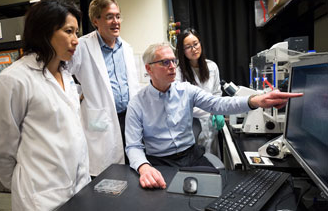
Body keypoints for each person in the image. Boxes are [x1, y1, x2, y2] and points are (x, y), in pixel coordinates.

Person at [125, 42, 303, 189]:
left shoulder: (186, 90)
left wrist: (255, 100)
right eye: (165, 62)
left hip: (191, 156)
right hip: (160, 162)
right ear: (149, 68)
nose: (172, 67)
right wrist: (144, 167)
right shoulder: (137, 103)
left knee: (220, 189)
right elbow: (133, 146)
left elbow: (218, 103)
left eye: (174, 61)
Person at [0, 0, 90, 210]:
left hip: (78, 188)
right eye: (69, 31)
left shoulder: (67, 77)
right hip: (40, 198)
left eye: (76, 32)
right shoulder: (13, 80)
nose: (76, 40)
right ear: (44, 32)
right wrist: (22, 182)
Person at [68, 0, 139, 176]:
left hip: (128, 119)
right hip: (101, 121)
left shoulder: (127, 48)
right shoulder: (82, 46)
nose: (116, 22)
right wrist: (79, 94)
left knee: (132, 170)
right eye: (109, 17)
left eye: (118, 16)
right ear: (95, 21)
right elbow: (62, 75)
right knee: (107, 178)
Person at [176, 28, 223, 156]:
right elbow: (183, 103)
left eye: (195, 44)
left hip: (210, 125)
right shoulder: (178, 72)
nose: (194, 49)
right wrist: (212, 110)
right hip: (191, 125)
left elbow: (217, 92)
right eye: (188, 47)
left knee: (213, 159)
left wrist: (218, 112)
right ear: (182, 50)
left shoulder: (212, 66)